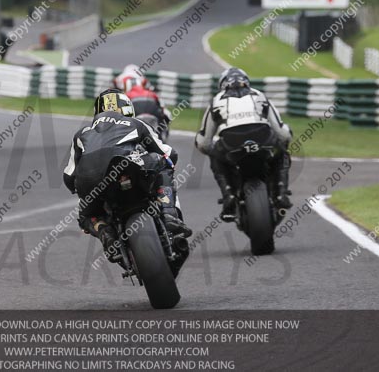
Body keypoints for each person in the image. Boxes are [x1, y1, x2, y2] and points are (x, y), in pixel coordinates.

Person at [63, 88, 191, 262]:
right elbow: (167, 152)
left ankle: (104, 232)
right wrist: (167, 164)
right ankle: (168, 213)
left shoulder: (81, 134)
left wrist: (81, 189)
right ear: (127, 108)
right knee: (161, 162)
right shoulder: (136, 124)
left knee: (86, 215)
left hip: (90, 180)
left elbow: (69, 176)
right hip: (127, 169)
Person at [195, 68, 293, 218]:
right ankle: (280, 193)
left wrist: (212, 151)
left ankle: (229, 195)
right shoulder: (260, 96)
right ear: (247, 82)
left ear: (222, 85)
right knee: (281, 153)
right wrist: (284, 142)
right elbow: (282, 132)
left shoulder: (215, 101)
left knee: (215, 156)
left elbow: (203, 142)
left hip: (231, 143)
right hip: (263, 138)